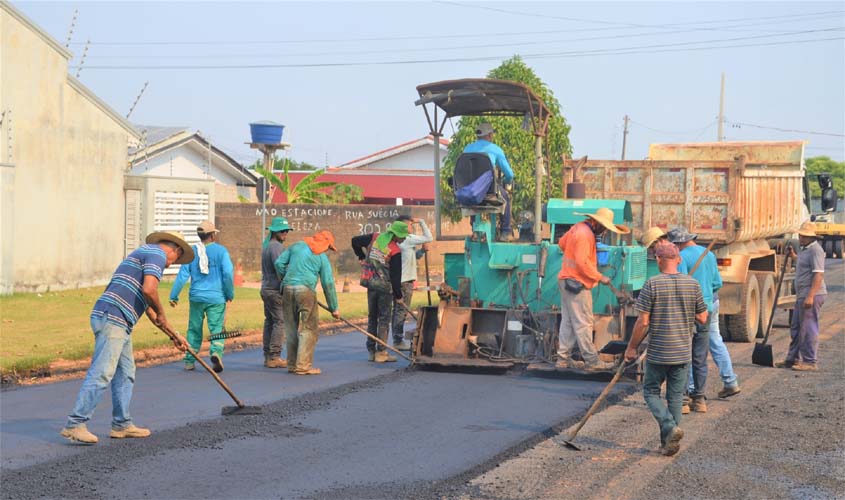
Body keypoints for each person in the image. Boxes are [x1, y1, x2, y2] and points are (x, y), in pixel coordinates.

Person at [60, 231, 192, 444]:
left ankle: (121, 425)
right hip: (113, 317)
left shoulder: (145, 254)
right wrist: (162, 313)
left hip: (119, 320)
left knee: (126, 371)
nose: (169, 266)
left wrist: (173, 335)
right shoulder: (157, 255)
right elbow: (150, 290)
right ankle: (75, 423)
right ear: (175, 250)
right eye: (175, 260)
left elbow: (151, 311)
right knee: (103, 372)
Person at [625, 242, 707, 457]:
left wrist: (631, 347)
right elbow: (703, 317)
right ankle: (668, 443)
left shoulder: (652, 284)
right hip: (682, 352)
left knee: (651, 391)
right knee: (676, 397)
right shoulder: (692, 284)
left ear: (659, 260)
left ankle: (669, 429)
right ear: (678, 260)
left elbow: (643, 322)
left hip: (659, 352)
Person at [668, 226, 739, 412]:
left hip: (688, 311)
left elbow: (679, 284)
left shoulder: (681, 257)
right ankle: (699, 399)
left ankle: (683, 400)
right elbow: (717, 283)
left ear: (679, 243)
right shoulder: (708, 255)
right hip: (709, 307)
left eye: (674, 245)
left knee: (682, 353)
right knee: (700, 355)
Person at [556, 207, 629, 371]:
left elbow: (562, 244)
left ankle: (562, 359)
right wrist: (599, 277)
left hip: (566, 280)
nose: (603, 230)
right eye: (603, 227)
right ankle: (592, 361)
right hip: (576, 283)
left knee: (568, 321)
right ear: (596, 222)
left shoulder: (577, 227)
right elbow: (582, 264)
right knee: (584, 323)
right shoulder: (585, 235)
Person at [169, 221, 234, 373]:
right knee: (216, 328)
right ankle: (216, 352)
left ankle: (189, 361)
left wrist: (174, 296)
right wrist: (229, 293)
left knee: (194, 329)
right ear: (212, 235)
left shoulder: (192, 252)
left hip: (196, 297)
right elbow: (227, 273)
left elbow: (182, 275)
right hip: (216, 298)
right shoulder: (221, 251)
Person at [275, 230, 341, 375]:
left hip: (287, 289)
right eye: (328, 247)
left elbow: (279, 263)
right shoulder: (321, 257)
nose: (327, 250)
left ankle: (292, 364)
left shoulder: (296, 246)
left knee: (291, 327)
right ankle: (303, 365)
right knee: (309, 328)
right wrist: (334, 308)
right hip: (305, 291)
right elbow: (328, 283)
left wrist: (286, 279)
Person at [352, 221, 409, 362]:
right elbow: (396, 277)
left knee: (372, 317)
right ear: (396, 235)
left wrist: (361, 256)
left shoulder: (375, 237)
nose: (405, 239)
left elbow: (354, 241)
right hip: (384, 288)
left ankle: (371, 351)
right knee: (384, 319)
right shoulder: (395, 250)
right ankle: (381, 353)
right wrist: (399, 296)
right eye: (403, 236)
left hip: (370, 284)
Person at [776, 221, 827, 371]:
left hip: (812, 294)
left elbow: (818, 275)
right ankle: (792, 359)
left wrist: (810, 296)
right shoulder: (806, 250)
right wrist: (794, 256)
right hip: (802, 294)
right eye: (801, 235)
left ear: (812, 237)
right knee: (796, 328)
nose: (801, 238)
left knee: (808, 328)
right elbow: (805, 265)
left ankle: (810, 361)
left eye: (805, 236)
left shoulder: (816, 250)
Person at [463, 122, 515, 241]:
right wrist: (507, 181)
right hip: (489, 190)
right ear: (490, 135)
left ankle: (475, 230)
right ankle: (505, 232)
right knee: (505, 197)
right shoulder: (495, 149)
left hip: (469, 190)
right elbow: (510, 174)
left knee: (474, 200)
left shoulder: (467, 149)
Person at [391, 215, 432, 351]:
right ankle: (397, 340)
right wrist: (421, 221)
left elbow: (412, 256)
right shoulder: (407, 239)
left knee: (398, 311)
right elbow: (429, 237)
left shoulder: (402, 241)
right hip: (404, 280)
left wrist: (421, 251)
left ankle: (397, 338)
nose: (411, 227)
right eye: (410, 225)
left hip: (401, 279)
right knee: (401, 311)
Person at [260, 216, 291, 368]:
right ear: (275, 232)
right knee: (280, 321)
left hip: (265, 288)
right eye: (283, 231)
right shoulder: (276, 247)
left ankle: (267, 355)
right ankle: (274, 356)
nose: (285, 233)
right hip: (274, 289)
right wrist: (288, 282)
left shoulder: (267, 246)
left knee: (270, 322)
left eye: (287, 231)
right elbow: (280, 268)